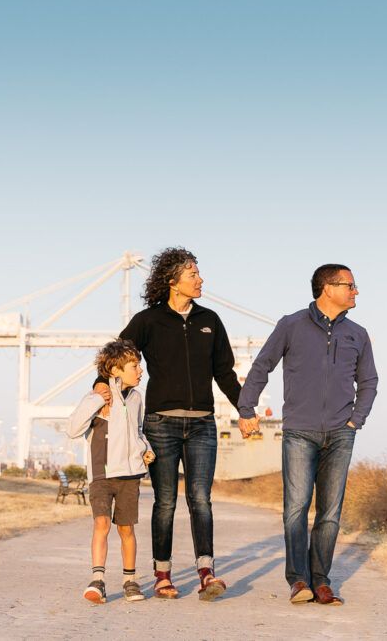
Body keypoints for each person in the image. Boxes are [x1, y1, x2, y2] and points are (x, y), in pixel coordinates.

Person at [94, 247, 244, 601]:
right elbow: (116, 354)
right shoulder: (149, 321)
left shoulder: (210, 320)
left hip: (203, 424)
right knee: (165, 502)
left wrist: (245, 409)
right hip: (161, 424)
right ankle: (163, 574)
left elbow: (225, 372)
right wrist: (102, 384)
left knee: (200, 500)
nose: (200, 279)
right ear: (173, 281)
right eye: (193, 274)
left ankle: (206, 571)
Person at [237, 264, 378, 605]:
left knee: (330, 513)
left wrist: (355, 421)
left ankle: (321, 580)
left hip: (341, 434)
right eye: (350, 285)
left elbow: (369, 381)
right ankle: (298, 581)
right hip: (299, 431)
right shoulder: (291, 325)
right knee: (296, 509)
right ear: (328, 288)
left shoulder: (358, 333)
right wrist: (246, 409)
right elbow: (262, 365)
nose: (356, 291)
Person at [67, 338, 154, 604]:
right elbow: (72, 429)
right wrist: (96, 400)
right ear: (115, 370)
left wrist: (146, 448)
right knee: (101, 523)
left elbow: (137, 432)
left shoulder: (137, 397)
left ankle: (129, 580)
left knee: (126, 529)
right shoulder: (99, 395)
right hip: (102, 475)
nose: (140, 371)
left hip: (129, 476)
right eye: (134, 366)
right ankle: (98, 580)